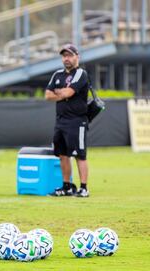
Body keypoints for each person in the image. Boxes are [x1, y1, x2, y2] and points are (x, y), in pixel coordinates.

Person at [45, 44, 90, 197]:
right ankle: (67, 186)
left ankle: (84, 188)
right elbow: (47, 95)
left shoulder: (80, 73)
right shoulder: (57, 74)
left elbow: (69, 92)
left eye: (70, 55)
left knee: (80, 154)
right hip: (61, 121)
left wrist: (61, 92)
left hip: (77, 121)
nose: (67, 59)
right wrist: (61, 93)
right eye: (64, 56)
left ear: (77, 57)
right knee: (63, 154)